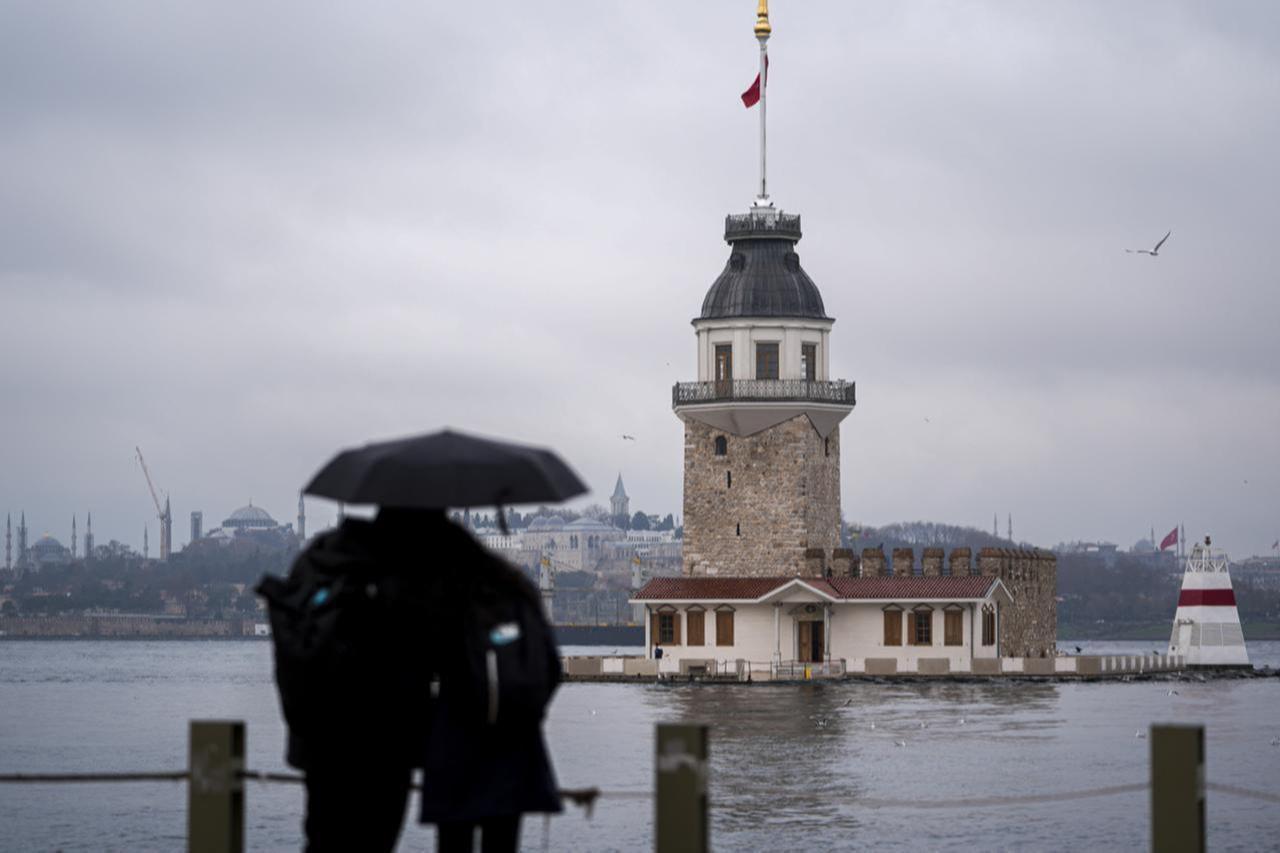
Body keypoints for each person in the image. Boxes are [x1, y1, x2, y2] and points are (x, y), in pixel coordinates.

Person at [259, 508, 561, 853]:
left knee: (323, 840)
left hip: (319, 739)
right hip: (390, 744)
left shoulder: (322, 557)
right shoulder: (459, 574)